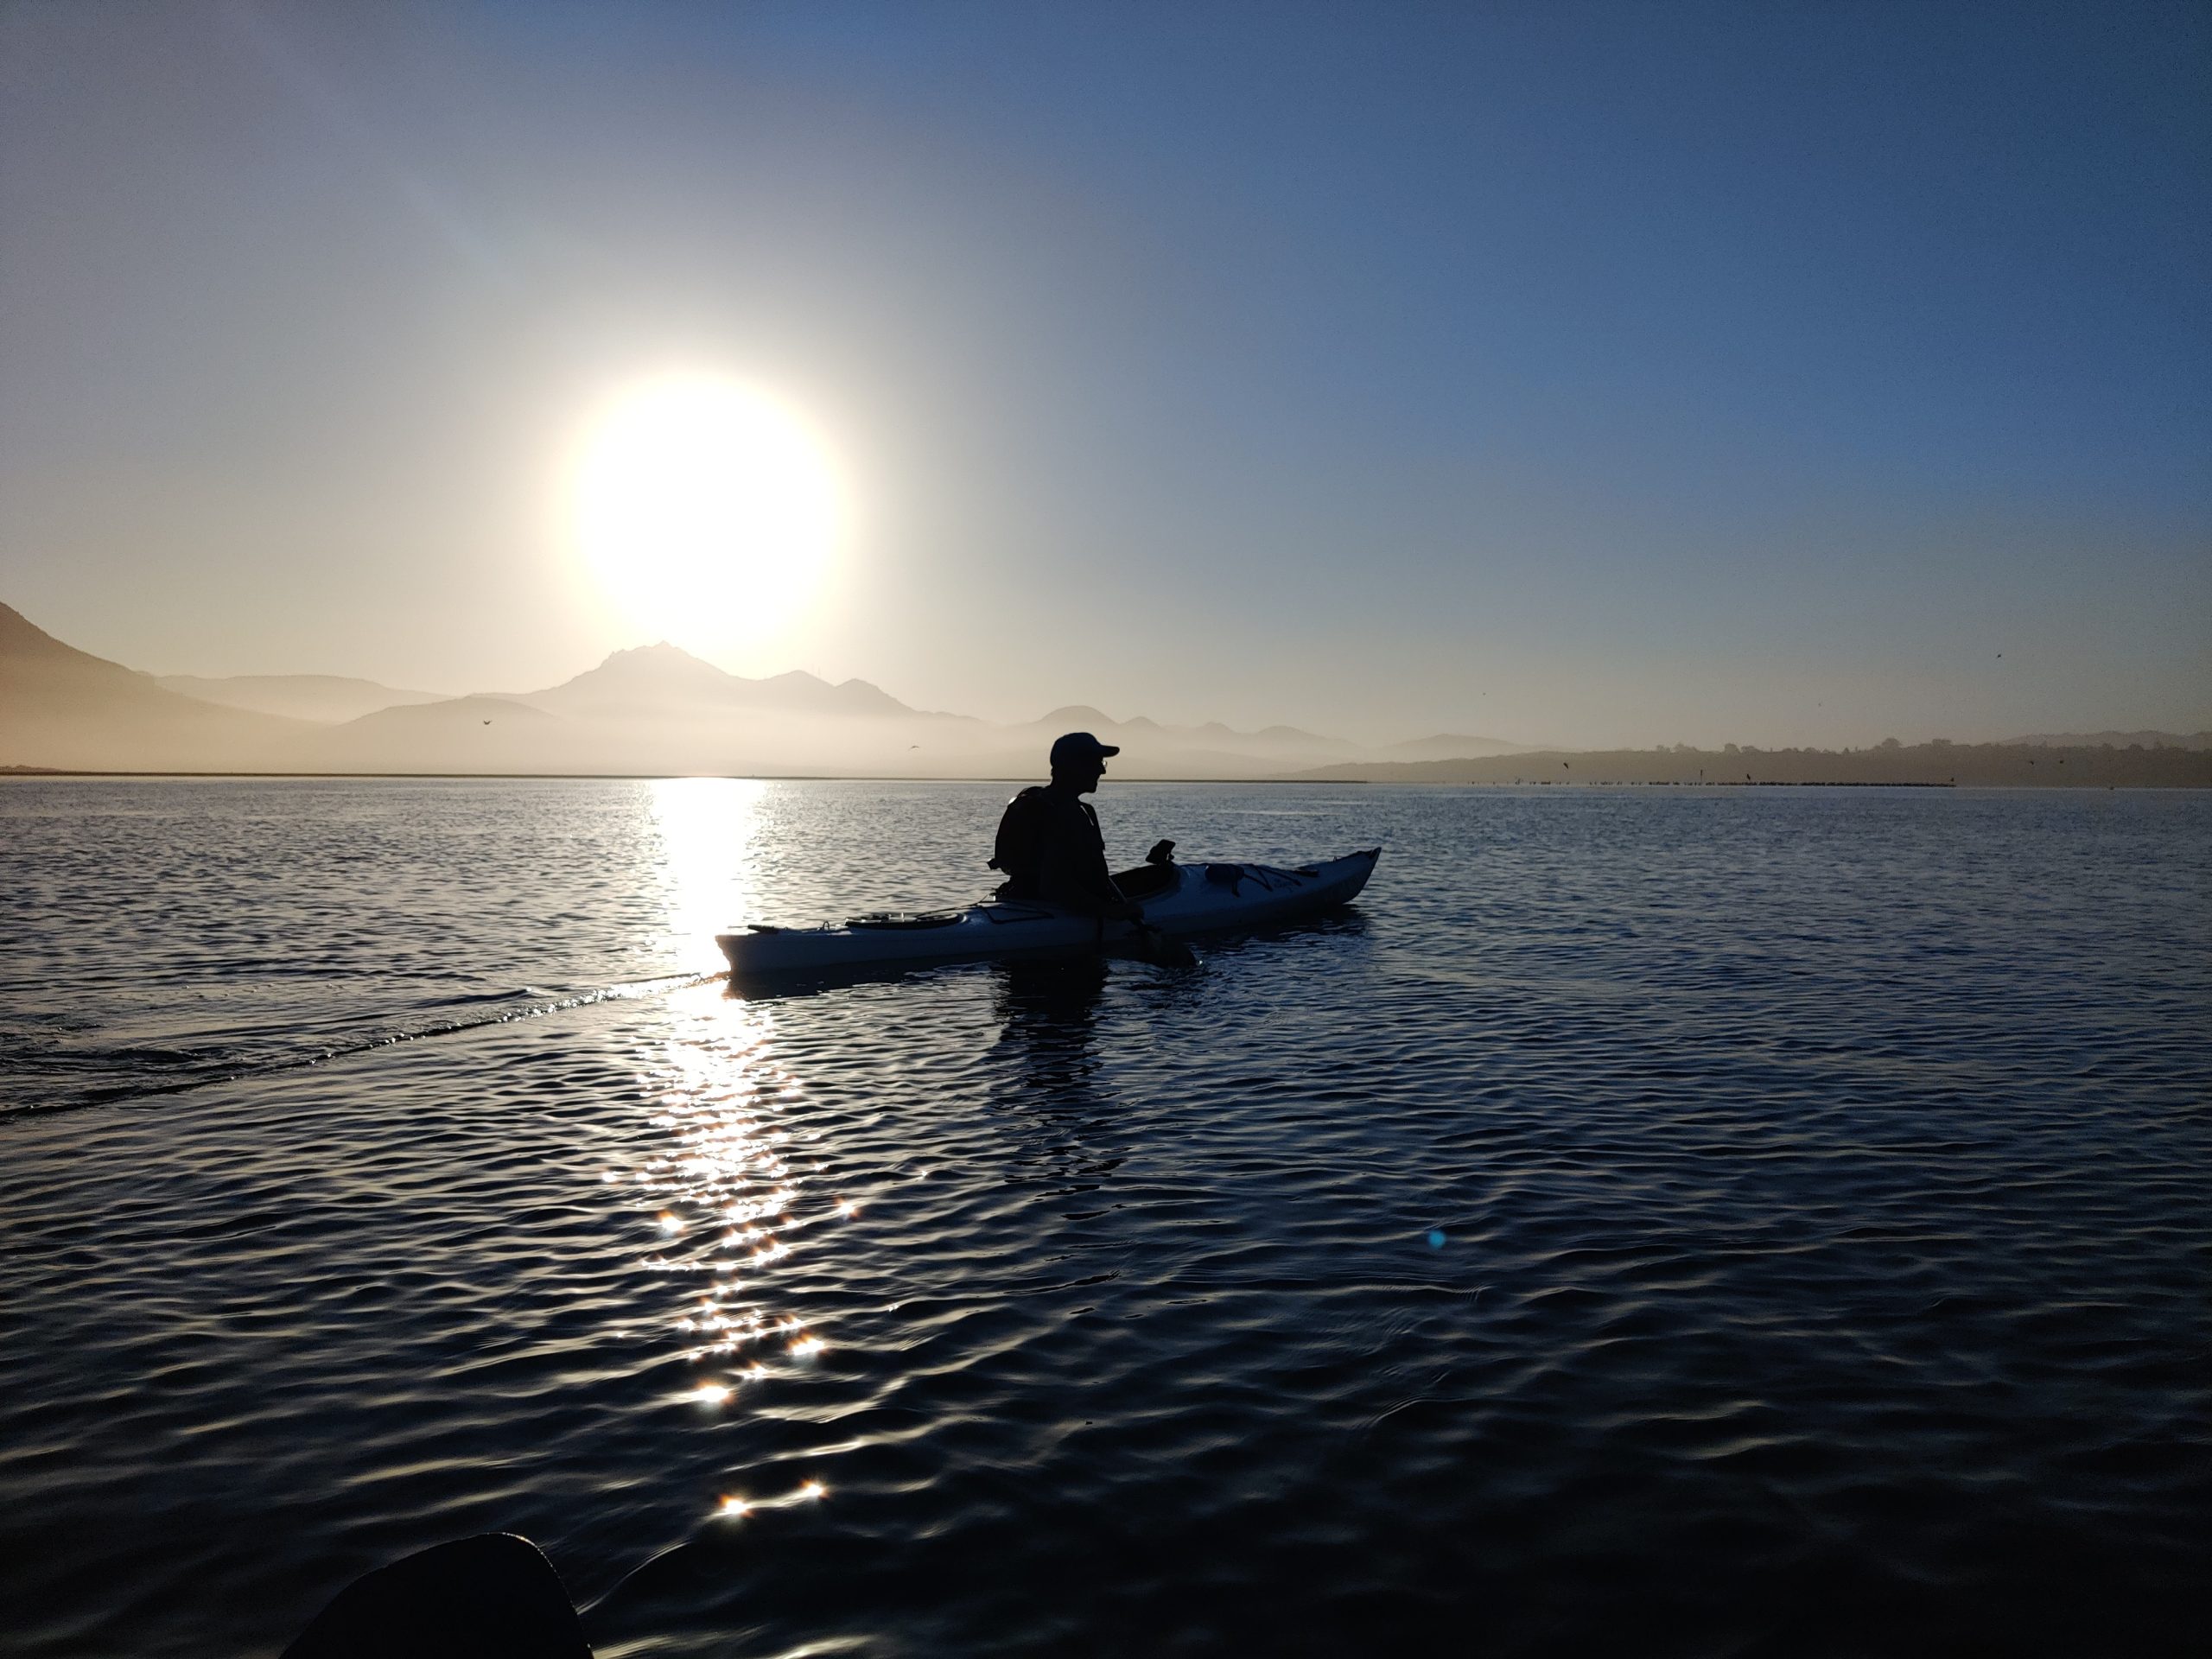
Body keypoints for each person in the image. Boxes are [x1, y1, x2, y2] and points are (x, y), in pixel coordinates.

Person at [989, 732, 1144, 920]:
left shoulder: (1048, 803)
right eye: (1097, 763)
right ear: (1074, 767)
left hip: (1019, 902)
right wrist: (1110, 912)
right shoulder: (1065, 813)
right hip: (1050, 913)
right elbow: (1054, 885)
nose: (1102, 771)